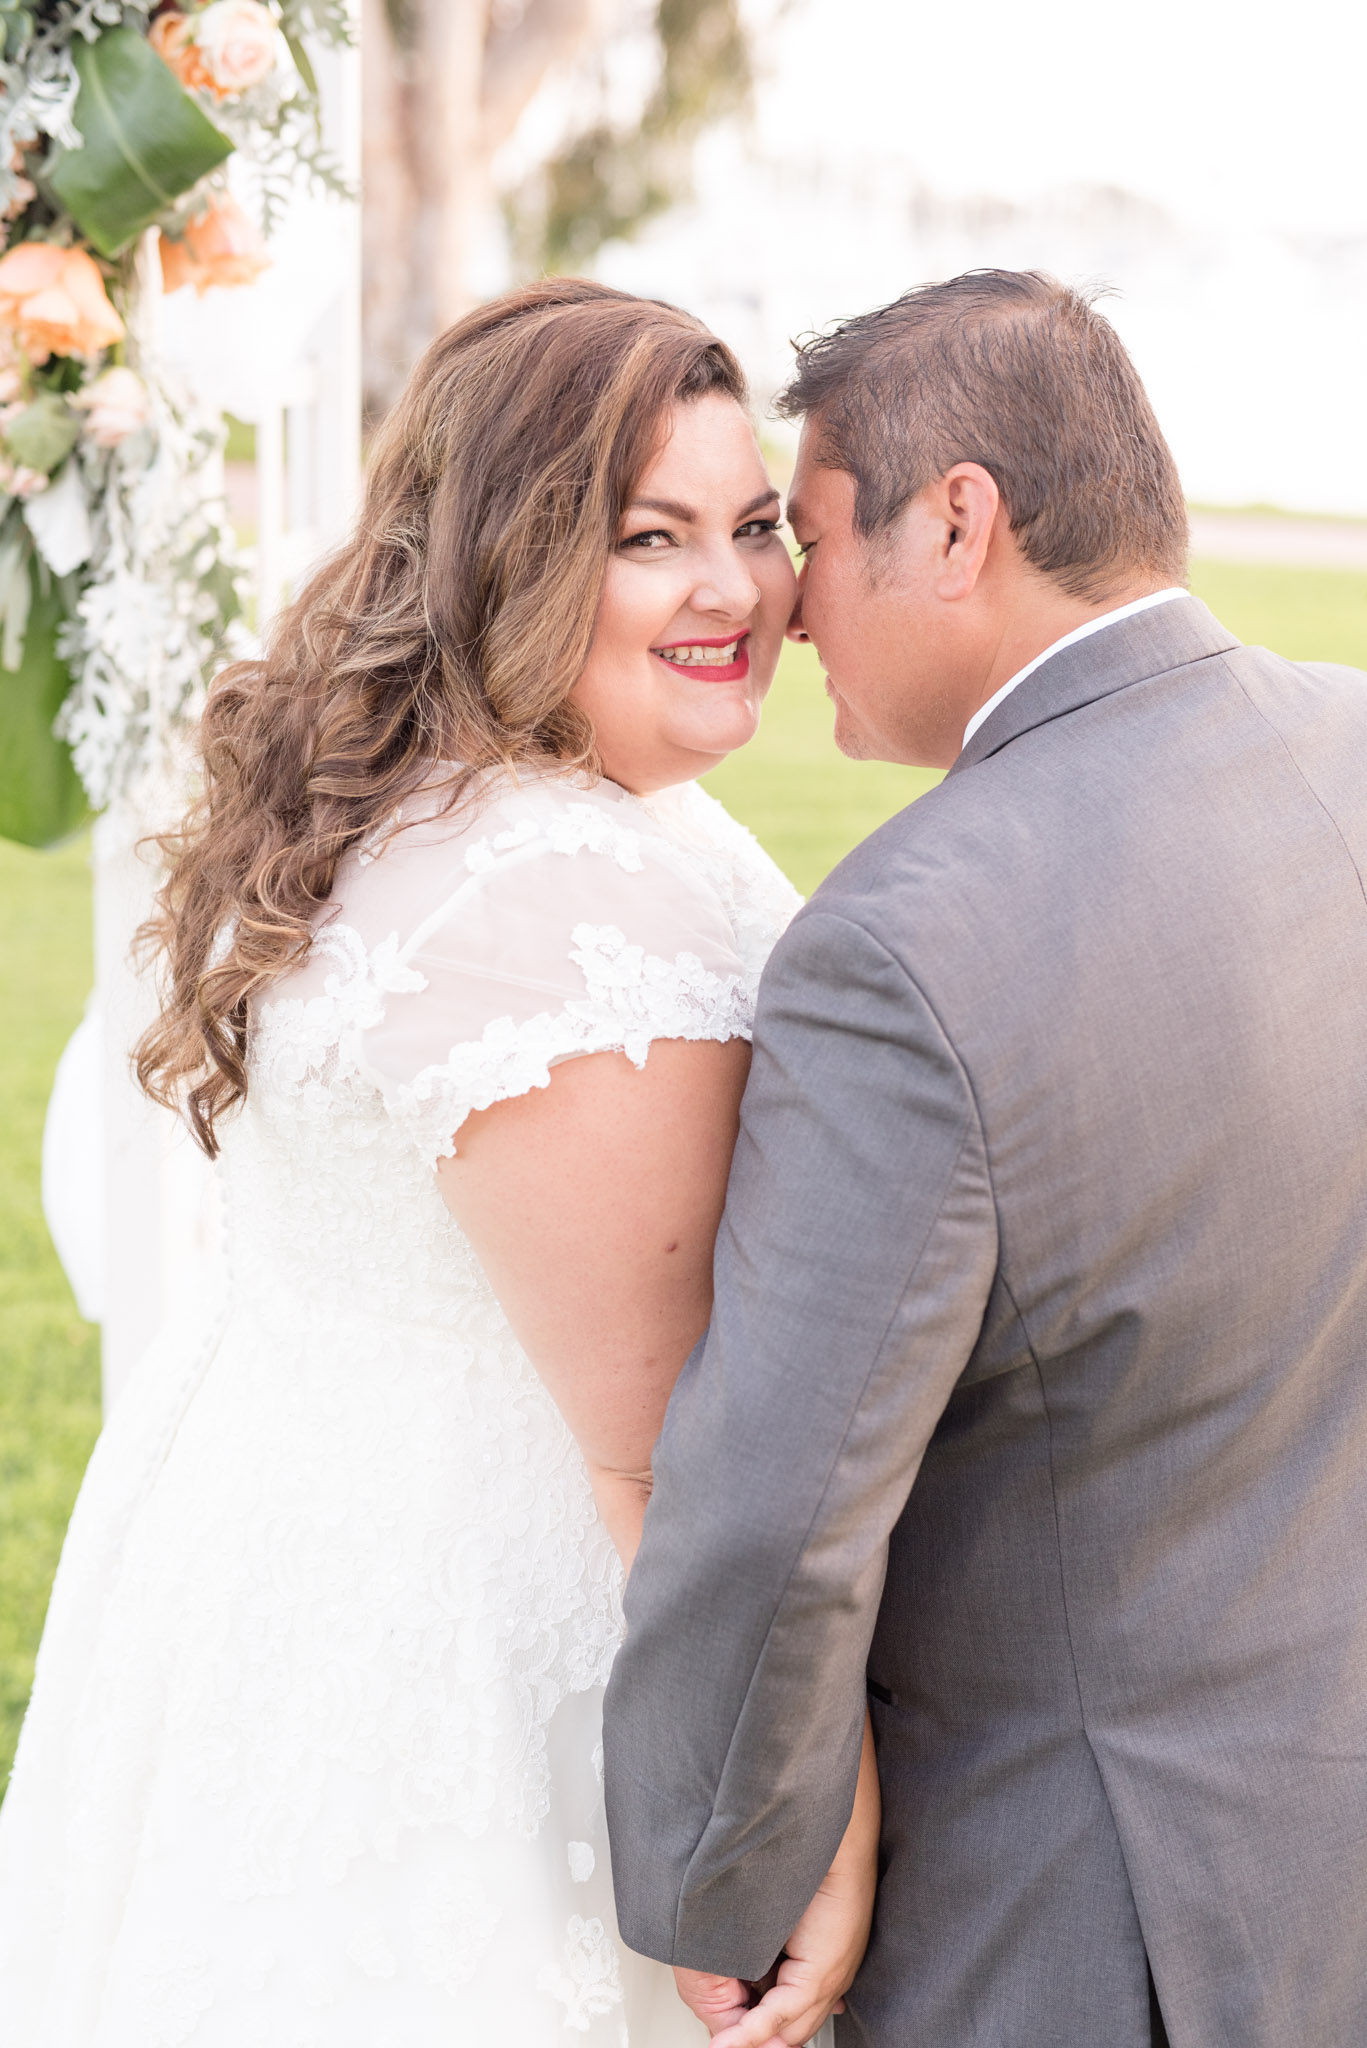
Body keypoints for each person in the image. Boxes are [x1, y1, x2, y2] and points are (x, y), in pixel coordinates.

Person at [0, 279, 875, 2047]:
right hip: (471, 1652)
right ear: (520, 550)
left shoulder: (426, 793)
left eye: (758, 526)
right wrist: (808, 1825)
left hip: (273, 1548)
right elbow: (656, 1463)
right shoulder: (549, 894)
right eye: (656, 538)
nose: (737, 592)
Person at [605, 267, 1367, 2048]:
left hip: (1083, 1919)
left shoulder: (905, 945)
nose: (790, 616)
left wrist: (723, 1885)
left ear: (960, 527)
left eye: (814, 535)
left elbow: (781, 1520)